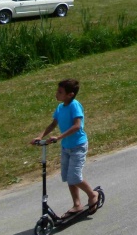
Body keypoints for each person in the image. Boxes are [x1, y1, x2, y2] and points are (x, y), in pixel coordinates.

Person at [31, 79, 99, 218]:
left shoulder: (74, 106)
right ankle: (77, 204)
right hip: (66, 147)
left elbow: (77, 126)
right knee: (68, 177)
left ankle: (93, 194)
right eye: (57, 91)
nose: (56, 94)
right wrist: (40, 136)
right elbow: (53, 124)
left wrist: (59, 137)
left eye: (60, 92)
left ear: (70, 94)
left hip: (78, 146)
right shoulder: (60, 108)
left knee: (74, 177)